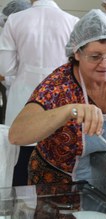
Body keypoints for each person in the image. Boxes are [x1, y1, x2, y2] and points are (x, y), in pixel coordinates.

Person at [8, 9, 106, 188]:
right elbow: (17, 134)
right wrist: (69, 110)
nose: (105, 64)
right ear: (77, 53)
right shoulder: (59, 85)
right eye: (95, 56)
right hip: (61, 189)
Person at [0, 0, 79, 186]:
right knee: (55, 161)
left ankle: (18, 211)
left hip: (22, 100)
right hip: (60, 101)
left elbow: (6, 67)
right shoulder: (72, 21)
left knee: (19, 165)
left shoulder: (15, 20)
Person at [0, 0, 31, 124]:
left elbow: (16, 73)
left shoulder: (26, 40)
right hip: (14, 94)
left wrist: (3, 77)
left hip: (22, 97)